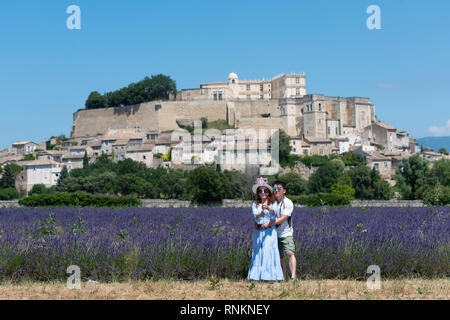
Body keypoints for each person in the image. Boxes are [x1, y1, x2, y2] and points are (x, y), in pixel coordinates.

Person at [247, 177, 284, 282]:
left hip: (269, 231)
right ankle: (256, 276)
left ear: (268, 192)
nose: (263, 193)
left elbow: (275, 214)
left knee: (268, 250)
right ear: (258, 193)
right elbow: (255, 216)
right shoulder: (255, 204)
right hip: (259, 230)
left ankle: (270, 277)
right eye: (260, 191)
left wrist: (268, 209)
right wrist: (261, 213)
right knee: (258, 251)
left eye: (265, 190)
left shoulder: (273, 203)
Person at [262, 180, 297, 281]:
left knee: (290, 253)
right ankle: (282, 278)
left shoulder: (288, 203)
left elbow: (283, 218)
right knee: (279, 257)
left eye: (279, 189)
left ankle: (293, 277)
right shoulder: (271, 202)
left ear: (284, 191)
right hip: (274, 234)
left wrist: (269, 224)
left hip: (286, 233)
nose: (276, 190)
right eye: (274, 189)